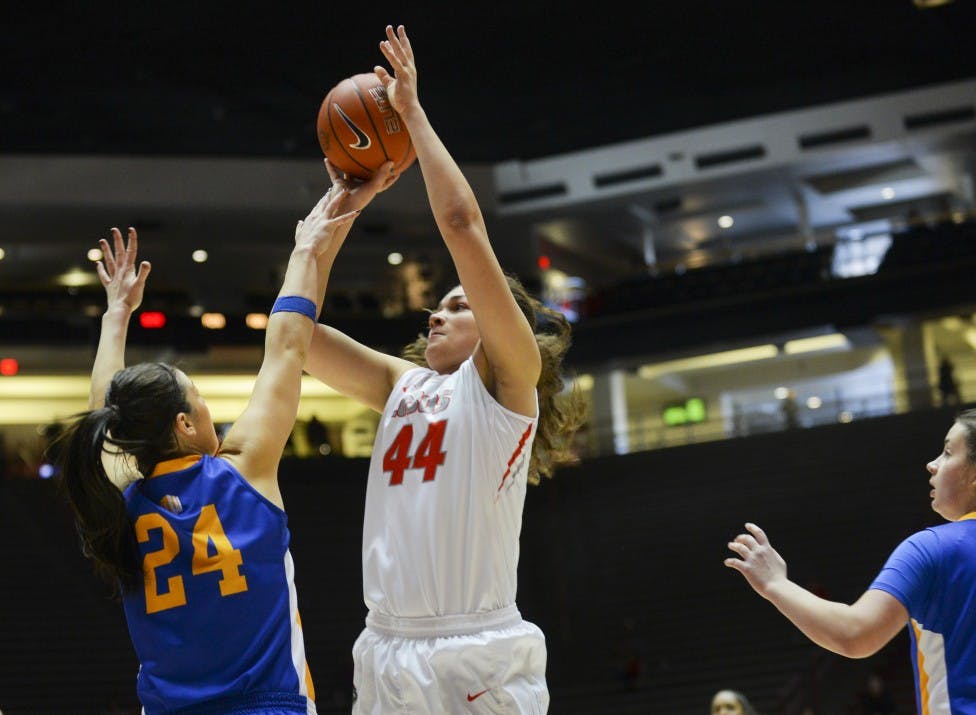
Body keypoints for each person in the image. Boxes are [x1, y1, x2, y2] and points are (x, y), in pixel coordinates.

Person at [304, 25, 586, 714]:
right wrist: (326, 227)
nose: (435, 312)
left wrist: (412, 114)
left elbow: (461, 223)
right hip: (384, 648)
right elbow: (295, 342)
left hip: (473, 649)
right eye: (436, 303)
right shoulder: (404, 387)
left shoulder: (506, 384)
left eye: (457, 305)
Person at [54, 188, 358, 714]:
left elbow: (108, 412)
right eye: (198, 396)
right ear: (183, 423)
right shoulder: (244, 471)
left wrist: (116, 315)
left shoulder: (121, 499)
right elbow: (287, 345)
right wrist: (307, 252)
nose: (207, 405)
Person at [725, 407, 976, 714]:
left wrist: (775, 584)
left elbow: (856, 635)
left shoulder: (933, 548)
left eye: (948, 453)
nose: (932, 464)